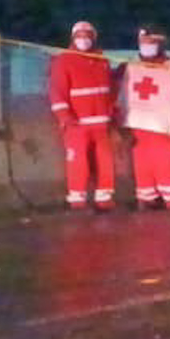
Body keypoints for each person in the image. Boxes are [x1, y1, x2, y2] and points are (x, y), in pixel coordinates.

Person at [114, 25, 170, 209]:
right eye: (144, 42)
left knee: (166, 162)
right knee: (140, 161)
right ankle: (146, 198)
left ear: (161, 44)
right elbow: (112, 90)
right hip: (135, 125)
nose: (147, 46)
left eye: (152, 42)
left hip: (164, 125)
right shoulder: (127, 66)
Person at [47, 20, 117, 212]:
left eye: (87, 36)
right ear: (73, 38)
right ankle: (77, 199)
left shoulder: (102, 60)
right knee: (78, 161)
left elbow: (110, 90)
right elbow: (57, 92)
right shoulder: (64, 61)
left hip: (102, 122)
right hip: (77, 123)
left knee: (105, 161)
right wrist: (65, 117)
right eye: (79, 37)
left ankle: (104, 198)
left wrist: (112, 112)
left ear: (93, 38)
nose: (83, 40)